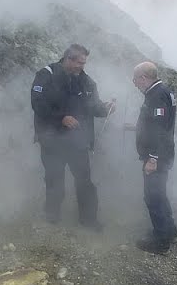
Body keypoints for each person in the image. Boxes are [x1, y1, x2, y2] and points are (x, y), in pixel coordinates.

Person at [30, 44, 115, 231]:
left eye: (84, 63)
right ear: (68, 58)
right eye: (79, 63)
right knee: (54, 178)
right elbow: (37, 104)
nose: (82, 67)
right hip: (52, 139)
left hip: (78, 141)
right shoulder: (46, 75)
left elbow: (93, 106)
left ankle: (88, 220)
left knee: (84, 180)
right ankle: (52, 215)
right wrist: (61, 118)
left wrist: (105, 108)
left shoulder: (86, 81)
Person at [129, 61, 177, 254]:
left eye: (135, 79)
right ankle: (169, 230)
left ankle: (161, 242)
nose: (134, 83)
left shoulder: (156, 95)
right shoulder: (164, 91)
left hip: (158, 156)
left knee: (153, 196)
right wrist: (138, 128)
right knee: (160, 194)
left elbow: (158, 129)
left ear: (143, 77)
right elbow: (160, 123)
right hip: (163, 154)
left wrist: (152, 158)